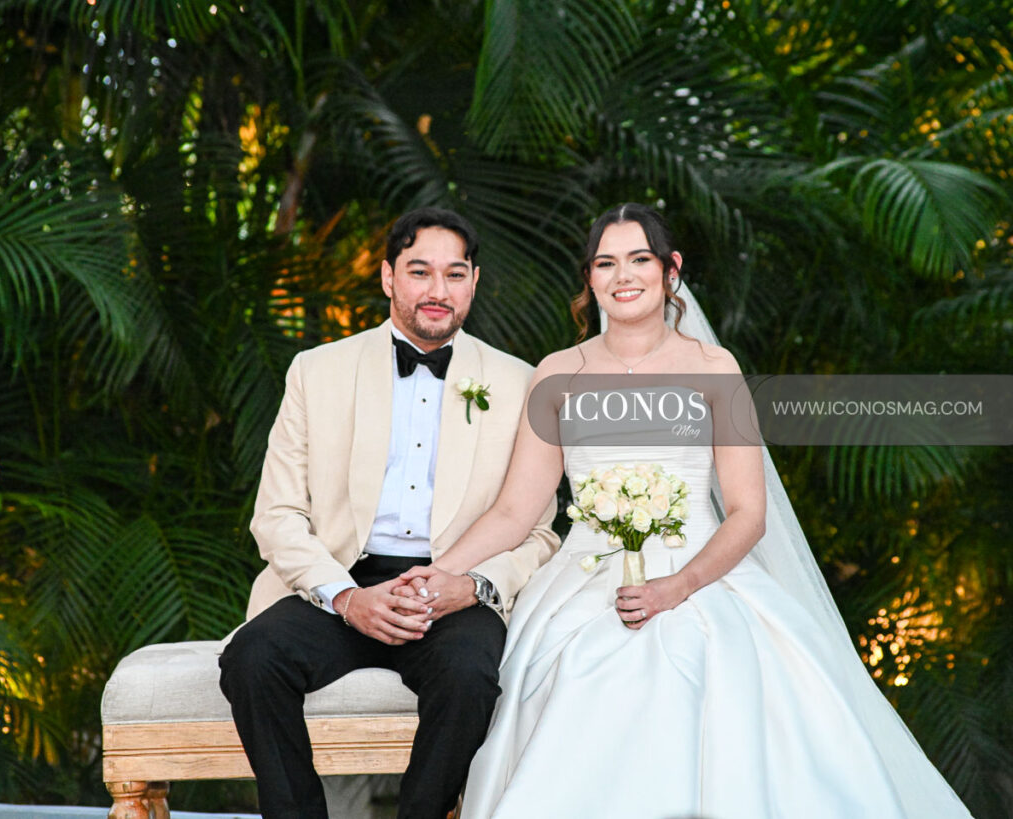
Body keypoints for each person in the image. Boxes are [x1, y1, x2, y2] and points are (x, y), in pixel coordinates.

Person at [400, 203, 974, 818]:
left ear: (671, 270)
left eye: (640, 259)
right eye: (606, 262)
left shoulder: (712, 368)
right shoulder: (558, 374)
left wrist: (677, 587)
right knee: (574, 666)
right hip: (584, 577)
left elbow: (748, 513)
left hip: (703, 573)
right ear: (590, 279)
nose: (624, 275)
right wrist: (434, 572)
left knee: (699, 665)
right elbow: (516, 510)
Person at [218, 206, 560, 819]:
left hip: (449, 590)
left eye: (455, 275)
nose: (437, 291)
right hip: (339, 583)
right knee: (253, 657)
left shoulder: (520, 383)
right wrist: (347, 598)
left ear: (475, 283)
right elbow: (276, 515)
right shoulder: (316, 371)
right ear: (387, 277)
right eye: (419, 271)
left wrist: (472, 585)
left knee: (470, 676)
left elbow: (537, 533)